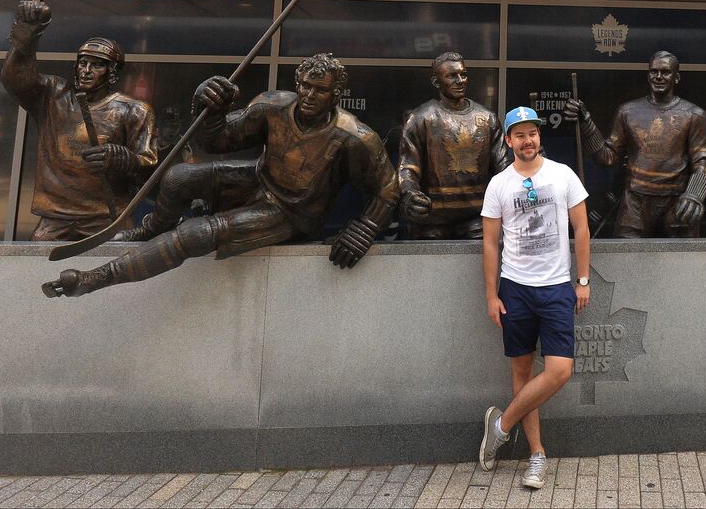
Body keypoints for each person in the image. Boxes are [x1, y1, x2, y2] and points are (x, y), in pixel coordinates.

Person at [42, 53, 398, 298]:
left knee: (195, 234)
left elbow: (387, 187)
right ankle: (152, 229)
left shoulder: (355, 138)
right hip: (260, 180)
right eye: (304, 84)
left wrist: (363, 229)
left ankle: (97, 278)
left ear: (337, 94)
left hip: (294, 212)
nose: (308, 94)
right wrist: (210, 107)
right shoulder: (274, 105)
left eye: (319, 90)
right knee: (180, 177)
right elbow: (217, 139)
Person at [478, 107, 590, 490]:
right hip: (515, 289)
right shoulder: (499, 185)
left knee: (560, 370)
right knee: (522, 373)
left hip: (557, 287)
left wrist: (583, 280)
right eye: (519, 135)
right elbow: (491, 244)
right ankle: (536, 455)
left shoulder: (563, 175)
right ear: (508, 141)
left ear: (540, 137)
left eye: (533, 134)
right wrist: (491, 295)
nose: (528, 141)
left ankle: (501, 425)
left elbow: (582, 228)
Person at [2, 0, 157, 240]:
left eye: (96, 66)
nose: (86, 70)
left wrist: (123, 158)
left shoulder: (135, 110)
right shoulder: (53, 94)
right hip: (55, 215)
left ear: (112, 72)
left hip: (107, 214)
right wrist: (24, 42)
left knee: (119, 268)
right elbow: (17, 81)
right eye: (82, 63)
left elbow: (150, 167)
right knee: (33, 267)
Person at [563, 51, 706, 237]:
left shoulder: (694, 115)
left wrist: (695, 194)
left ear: (677, 77)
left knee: (683, 262)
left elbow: (702, 161)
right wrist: (587, 124)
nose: (658, 77)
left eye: (665, 72)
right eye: (653, 71)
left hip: (676, 200)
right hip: (635, 202)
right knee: (627, 259)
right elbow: (607, 158)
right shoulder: (628, 112)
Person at [397, 52, 506, 239]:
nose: (460, 80)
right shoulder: (420, 118)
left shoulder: (487, 118)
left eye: (463, 74)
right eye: (451, 76)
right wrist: (409, 193)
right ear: (436, 82)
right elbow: (408, 167)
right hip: (432, 221)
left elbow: (503, 168)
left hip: (477, 219)